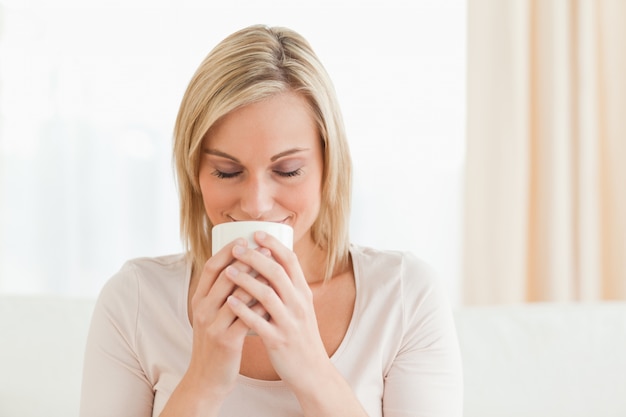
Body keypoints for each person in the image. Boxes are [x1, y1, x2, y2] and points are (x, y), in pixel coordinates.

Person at [80, 24, 463, 417]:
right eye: (227, 172)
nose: (257, 205)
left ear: (328, 166)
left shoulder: (403, 297)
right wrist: (203, 382)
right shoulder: (136, 301)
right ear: (194, 172)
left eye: (288, 170)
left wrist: (312, 371)